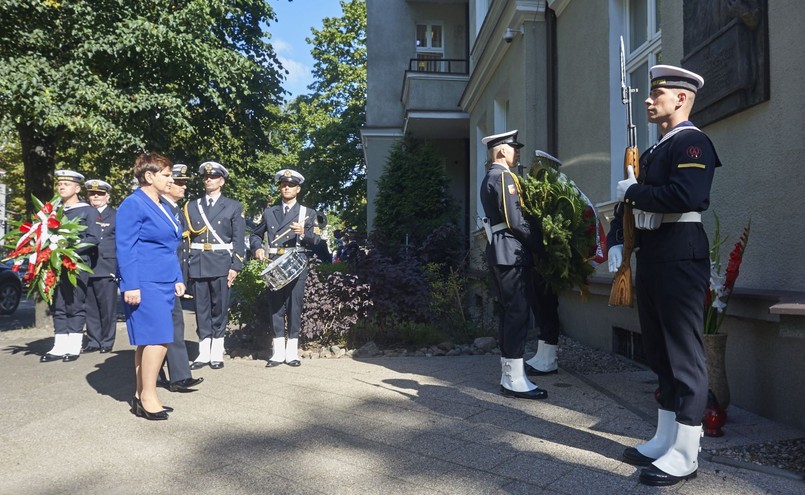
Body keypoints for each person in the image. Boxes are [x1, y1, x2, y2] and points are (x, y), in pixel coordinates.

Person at [607, 65, 720, 486]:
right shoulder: (655, 151)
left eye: (659, 93)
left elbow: (687, 196)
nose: (650, 100)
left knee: (683, 354)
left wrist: (633, 192)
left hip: (679, 254)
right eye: (650, 93)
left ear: (682, 98)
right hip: (653, 256)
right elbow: (630, 204)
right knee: (659, 351)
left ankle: (687, 451)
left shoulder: (693, 143)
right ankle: (666, 436)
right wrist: (619, 238)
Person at [479, 130, 547, 400]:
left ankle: (510, 373)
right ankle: (514, 379)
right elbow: (515, 220)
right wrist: (540, 245)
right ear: (501, 151)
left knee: (510, 313)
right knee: (517, 313)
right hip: (511, 252)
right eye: (513, 148)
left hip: (501, 250)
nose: (517, 152)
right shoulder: (505, 177)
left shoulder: (489, 177)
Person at [117, 153, 185, 420]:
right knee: (158, 339)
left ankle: (140, 395)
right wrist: (130, 285)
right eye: (166, 175)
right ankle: (149, 396)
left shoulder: (162, 206)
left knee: (149, 339)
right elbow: (126, 247)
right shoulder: (133, 204)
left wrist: (177, 276)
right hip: (144, 282)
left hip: (163, 279)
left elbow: (170, 247)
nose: (171, 179)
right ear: (149, 176)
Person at [250, 169, 320, 367]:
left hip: (296, 263)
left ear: (298, 189)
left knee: (294, 307)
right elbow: (255, 235)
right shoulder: (269, 212)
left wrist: (303, 233)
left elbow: (317, 240)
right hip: (275, 263)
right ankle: (278, 353)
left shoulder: (308, 213)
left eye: (290, 185)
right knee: (276, 308)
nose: (286, 188)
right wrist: (257, 249)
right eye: (283, 185)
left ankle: (292, 353)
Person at [185, 161, 246, 370]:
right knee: (201, 308)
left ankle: (216, 351)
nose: (208, 180)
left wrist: (236, 265)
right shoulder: (192, 206)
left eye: (213, 177)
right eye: (206, 177)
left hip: (221, 262)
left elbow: (238, 238)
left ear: (221, 181)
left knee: (219, 309)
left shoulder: (233, 206)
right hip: (199, 262)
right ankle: (203, 352)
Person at [40, 170, 101, 363]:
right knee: (57, 304)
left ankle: (74, 345)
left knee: (74, 304)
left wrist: (69, 250)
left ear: (77, 188)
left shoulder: (88, 211)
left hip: (76, 264)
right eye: (60, 184)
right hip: (54, 265)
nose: (61, 187)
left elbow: (93, 238)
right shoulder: (53, 211)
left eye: (66, 184)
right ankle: (59, 345)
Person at [156, 164, 204, 392]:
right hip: (161, 277)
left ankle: (178, 375)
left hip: (174, 277)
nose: (184, 186)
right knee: (162, 327)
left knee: (174, 324)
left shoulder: (175, 209)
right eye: (180, 182)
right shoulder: (159, 207)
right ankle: (160, 375)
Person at [82, 179, 118, 354]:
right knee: (91, 307)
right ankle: (94, 341)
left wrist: (118, 268)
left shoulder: (116, 216)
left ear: (108, 196)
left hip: (106, 266)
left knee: (107, 307)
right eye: (92, 193)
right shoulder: (83, 214)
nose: (96, 196)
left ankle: (107, 341)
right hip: (87, 266)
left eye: (100, 193)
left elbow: (121, 243)